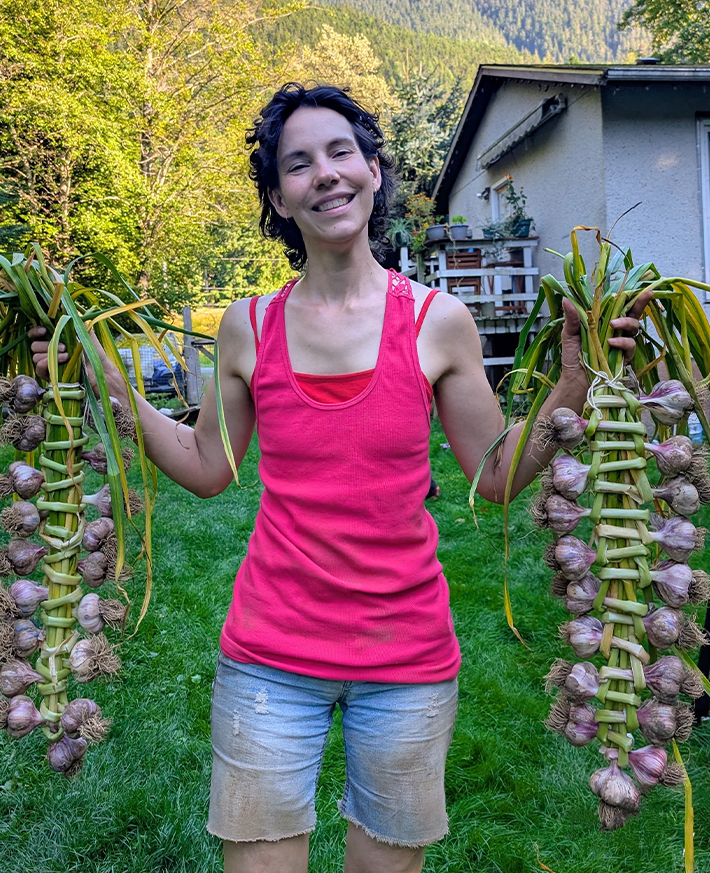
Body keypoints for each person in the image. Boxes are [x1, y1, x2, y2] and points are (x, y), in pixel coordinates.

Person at [30, 83, 648, 873]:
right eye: (297, 164)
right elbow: (206, 466)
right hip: (268, 656)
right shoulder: (246, 327)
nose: (324, 173)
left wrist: (573, 380)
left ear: (373, 171)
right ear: (279, 200)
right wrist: (109, 387)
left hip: (407, 661)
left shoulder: (437, 321)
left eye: (340, 153)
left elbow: (495, 477)